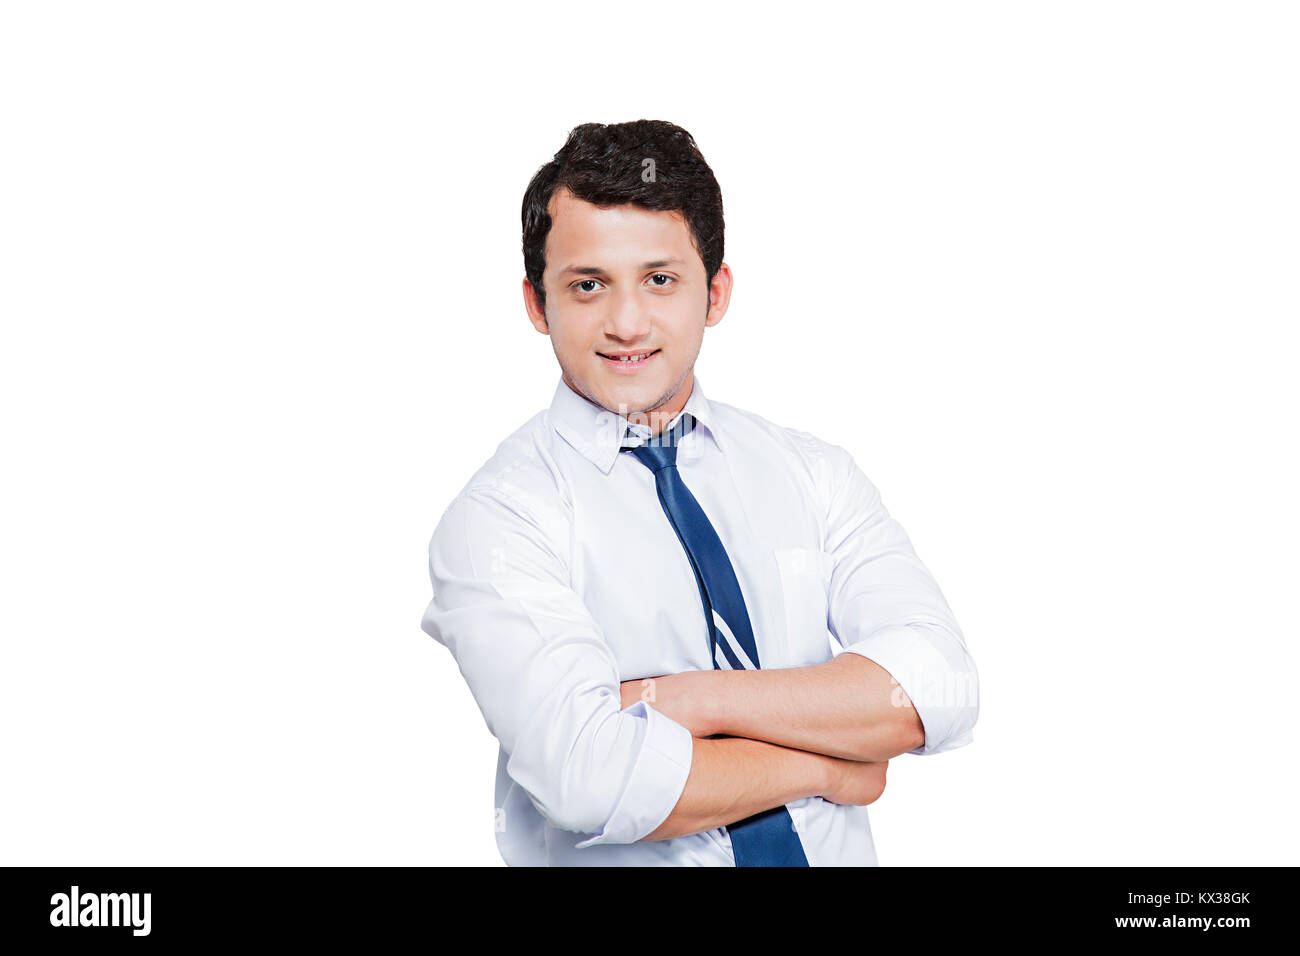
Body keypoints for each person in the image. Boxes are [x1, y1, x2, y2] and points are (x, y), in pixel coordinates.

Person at [421, 119, 979, 866]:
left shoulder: (814, 474)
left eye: (660, 279)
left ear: (715, 292)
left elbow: (935, 686)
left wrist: (689, 699)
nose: (626, 323)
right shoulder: (498, 518)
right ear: (536, 303)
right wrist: (826, 764)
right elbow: (588, 779)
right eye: (588, 285)